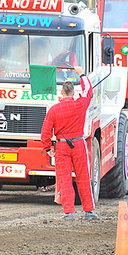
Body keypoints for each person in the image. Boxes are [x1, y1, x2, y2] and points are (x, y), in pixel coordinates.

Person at [40, 66, 98, 220]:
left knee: (64, 179)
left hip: (61, 146)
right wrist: (81, 74)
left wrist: (47, 148)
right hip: (78, 144)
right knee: (83, 177)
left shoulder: (54, 110)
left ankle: (69, 212)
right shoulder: (80, 104)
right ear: (73, 92)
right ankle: (88, 212)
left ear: (62, 93)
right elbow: (88, 91)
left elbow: (45, 131)